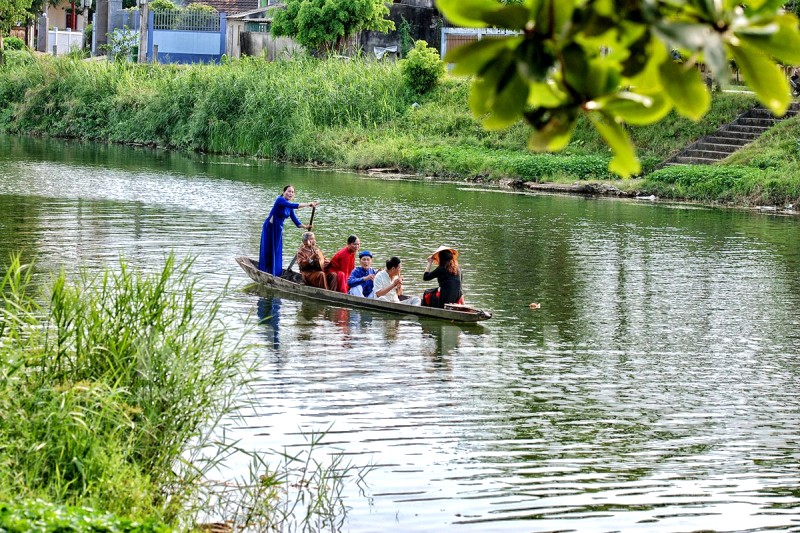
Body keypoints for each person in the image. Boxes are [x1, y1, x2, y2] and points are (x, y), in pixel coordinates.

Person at [259, 185, 317, 275]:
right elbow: (293, 205)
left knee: (276, 251)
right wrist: (308, 204)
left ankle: (274, 273)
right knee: (268, 250)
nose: (290, 193)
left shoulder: (289, 207)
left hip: (278, 230)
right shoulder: (280, 200)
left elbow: (295, 220)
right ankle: (264, 271)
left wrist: (305, 226)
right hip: (270, 228)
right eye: (289, 191)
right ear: (283, 192)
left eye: (292, 192)